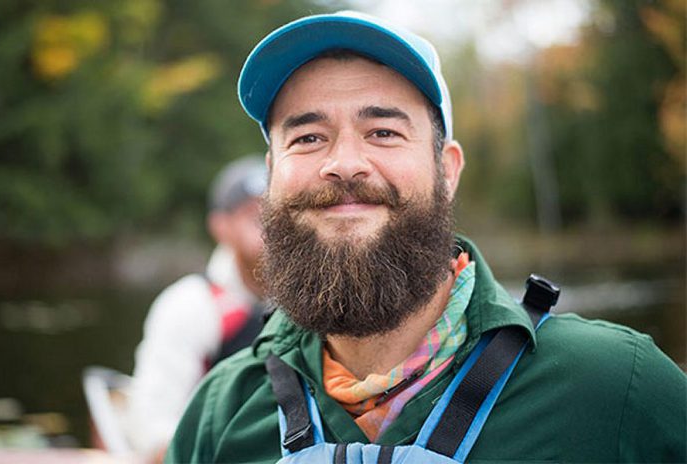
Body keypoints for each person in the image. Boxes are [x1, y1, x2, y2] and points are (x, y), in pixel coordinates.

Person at [166, 11, 686, 464]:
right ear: (272, 173)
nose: (344, 163)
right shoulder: (220, 412)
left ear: (447, 169)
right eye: (307, 138)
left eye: (384, 132)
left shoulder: (617, 388)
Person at [127, 155, 267, 460]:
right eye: (252, 215)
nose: (268, 225)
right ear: (220, 227)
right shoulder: (189, 305)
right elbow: (154, 432)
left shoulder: (311, 302)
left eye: (274, 212)